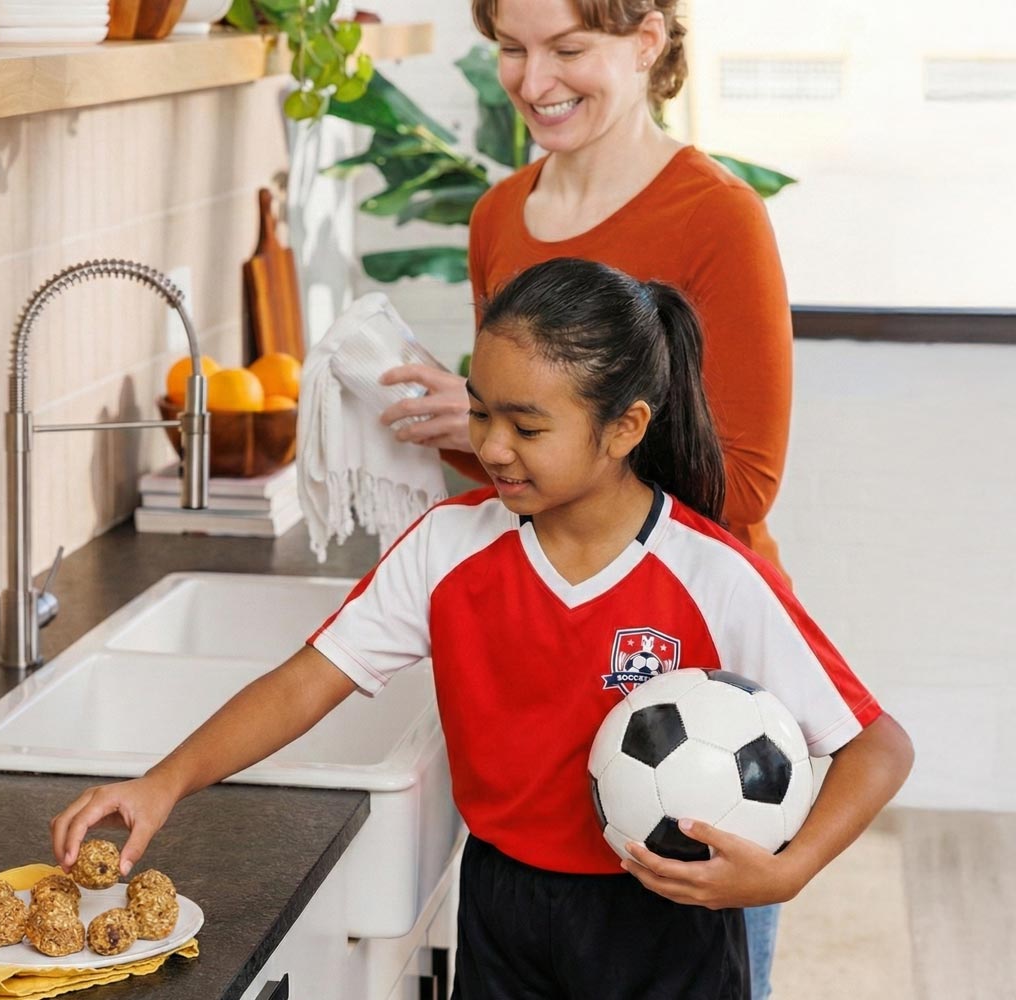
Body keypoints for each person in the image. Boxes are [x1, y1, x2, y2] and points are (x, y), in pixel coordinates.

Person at [51, 258, 915, 999]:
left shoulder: (713, 575)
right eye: (481, 412)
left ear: (625, 428)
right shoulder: (448, 547)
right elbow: (307, 680)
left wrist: (788, 872)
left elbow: (878, 746)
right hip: (502, 906)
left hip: (666, 925)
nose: (493, 447)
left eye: (527, 426)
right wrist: (163, 782)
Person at [376, 2, 797, 990]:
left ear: (647, 42)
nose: (533, 81)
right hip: (547, 669)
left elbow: (743, 482)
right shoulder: (498, 217)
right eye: (512, 50)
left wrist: (534, 437)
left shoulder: (718, 217)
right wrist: (475, 433)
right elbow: (533, 478)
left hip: (690, 677)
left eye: (568, 49)